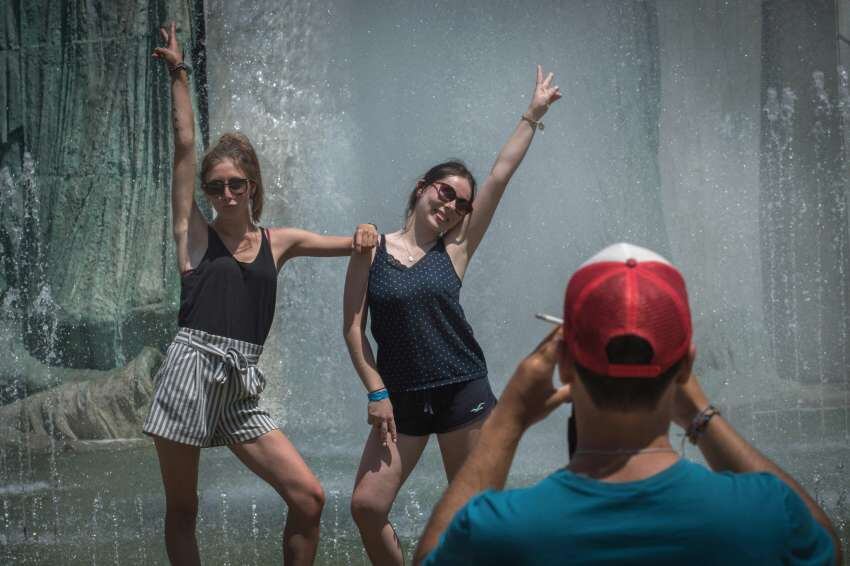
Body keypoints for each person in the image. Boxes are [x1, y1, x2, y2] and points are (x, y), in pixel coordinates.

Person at [415, 243, 842, 565]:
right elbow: (827, 547)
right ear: (684, 368)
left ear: (564, 365)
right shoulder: (765, 516)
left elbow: (432, 554)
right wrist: (700, 413)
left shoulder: (501, 530)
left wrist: (508, 418)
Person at [142, 23, 377, 566]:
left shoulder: (279, 241)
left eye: (236, 184)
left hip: (241, 383)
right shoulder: (195, 236)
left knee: (309, 496)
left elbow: (348, 242)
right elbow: (183, 147)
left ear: (253, 186)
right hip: (190, 373)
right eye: (216, 186)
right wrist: (179, 72)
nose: (225, 194)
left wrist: (366, 233)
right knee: (183, 508)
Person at [342, 66, 562, 564]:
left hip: (463, 390)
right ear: (423, 187)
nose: (453, 206)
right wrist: (376, 391)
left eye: (462, 203)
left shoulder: (457, 248)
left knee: (474, 512)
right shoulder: (370, 247)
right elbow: (353, 328)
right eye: (445, 193)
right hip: (400, 399)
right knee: (366, 506)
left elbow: (500, 175)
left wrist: (533, 114)